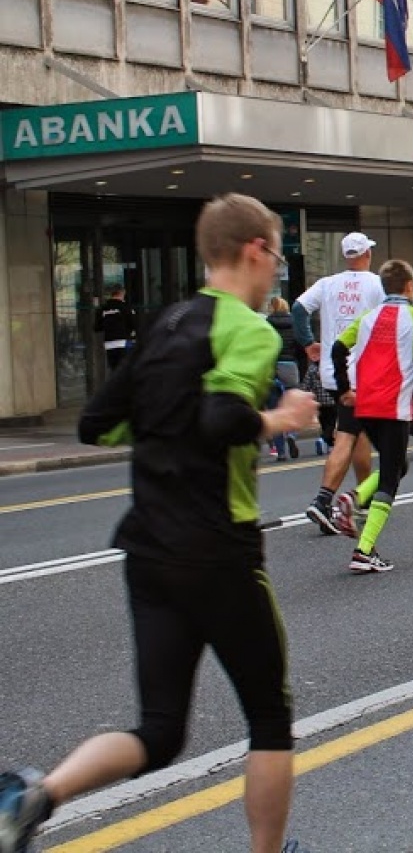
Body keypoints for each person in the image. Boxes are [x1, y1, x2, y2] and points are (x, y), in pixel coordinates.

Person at [0, 194, 318, 853]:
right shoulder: (250, 329)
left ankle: (36, 798)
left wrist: (163, 412)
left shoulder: (166, 324)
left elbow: (97, 424)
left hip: (148, 552)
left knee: (160, 729)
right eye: (276, 256)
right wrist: (282, 419)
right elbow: (222, 420)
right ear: (254, 250)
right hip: (219, 552)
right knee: (269, 717)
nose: (275, 274)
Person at [330, 260, 413, 572]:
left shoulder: (367, 318)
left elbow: (337, 349)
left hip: (365, 407)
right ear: (410, 287)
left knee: (399, 464)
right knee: (390, 479)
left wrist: (344, 387)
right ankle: (363, 551)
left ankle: (353, 499)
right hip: (394, 408)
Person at [296, 232, 385, 536]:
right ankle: (325, 500)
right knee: (348, 435)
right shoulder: (376, 283)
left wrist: (308, 342)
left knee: (356, 433)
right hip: (361, 373)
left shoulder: (327, 284)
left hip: (332, 372)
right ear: (367, 255)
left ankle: (362, 498)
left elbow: (298, 309)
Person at [264, 297, 302, 462]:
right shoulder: (294, 323)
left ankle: (281, 452)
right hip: (290, 366)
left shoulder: (266, 323)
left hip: (272, 367)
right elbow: (300, 345)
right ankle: (292, 434)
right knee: (293, 405)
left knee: (275, 409)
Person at [95, 285, 137, 372]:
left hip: (109, 344)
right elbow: (134, 324)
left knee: (114, 369)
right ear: (122, 293)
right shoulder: (125, 307)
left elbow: (97, 327)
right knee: (126, 369)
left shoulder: (103, 308)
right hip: (124, 342)